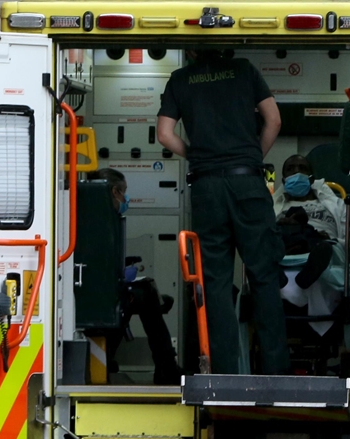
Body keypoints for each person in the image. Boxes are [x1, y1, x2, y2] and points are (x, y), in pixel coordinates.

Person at [156, 49, 289, 375]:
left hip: (207, 188)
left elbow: (164, 134)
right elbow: (274, 120)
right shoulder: (244, 69)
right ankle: (276, 374)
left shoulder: (180, 79)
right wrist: (252, 157)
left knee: (215, 282)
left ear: (189, 50)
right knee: (264, 277)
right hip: (247, 185)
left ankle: (224, 374)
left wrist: (198, 157)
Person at [86, 168, 181, 385]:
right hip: (99, 294)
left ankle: (165, 365)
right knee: (145, 295)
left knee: (145, 292)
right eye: (124, 193)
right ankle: (166, 367)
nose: (126, 198)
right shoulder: (100, 221)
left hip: (99, 289)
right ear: (114, 191)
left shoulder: (96, 217)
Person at [272, 154, 350, 243]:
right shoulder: (271, 209)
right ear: (284, 181)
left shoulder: (338, 205)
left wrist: (329, 241)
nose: (297, 172)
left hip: (327, 249)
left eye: (302, 168)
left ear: (312, 179)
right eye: (290, 169)